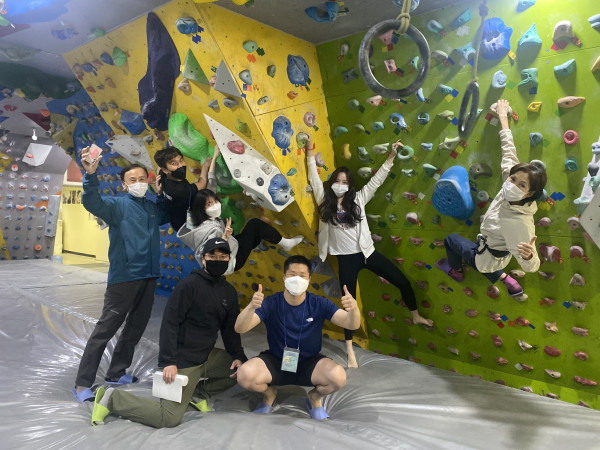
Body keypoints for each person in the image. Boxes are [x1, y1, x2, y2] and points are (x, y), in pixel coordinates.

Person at [91, 238, 247, 427]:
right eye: (212, 256)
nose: (218, 260)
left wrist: (238, 355)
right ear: (203, 259)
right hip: (183, 361)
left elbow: (230, 328)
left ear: (229, 260)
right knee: (168, 418)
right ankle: (112, 398)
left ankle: (198, 394)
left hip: (206, 357)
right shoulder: (189, 286)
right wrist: (168, 362)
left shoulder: (228, 292)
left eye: (223, 257)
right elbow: (170, 324)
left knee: (242, 370)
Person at [305, 137, 433, 368]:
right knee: (349, 306)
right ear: (332, 183)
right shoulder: (324, 200)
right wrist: (308, 151)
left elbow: (377, 180)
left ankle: (415, 315)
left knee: (402, 281)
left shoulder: (359, 199)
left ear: (350, 185)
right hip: (346, 261)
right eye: (337, 181)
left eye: (345, 182)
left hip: (367, 254)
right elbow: (314, 178)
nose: (341, 185)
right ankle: (349, 349)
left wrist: (391, 156)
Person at [72, 147, 170, 402]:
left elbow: (167, 214)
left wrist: (163, 193)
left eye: (142, 179)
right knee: (106, 329)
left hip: (149, 276)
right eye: (132, 180)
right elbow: (92, 202)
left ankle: (116, 372)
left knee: (135, 327)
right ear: (124, 186)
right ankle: (82, 384)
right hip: (124, 277)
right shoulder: (116, 206)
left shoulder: (151, 208)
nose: (138, 183)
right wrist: (90, 175)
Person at [437, 99, 546, 298]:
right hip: (494, 248)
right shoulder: (510, 184)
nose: (512, 184)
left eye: (521, 185)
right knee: (480, 256)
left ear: (530, 193)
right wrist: (503, 117)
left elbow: (533, 266)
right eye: (513, 179)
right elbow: (509, 152)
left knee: (452, 240)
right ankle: (507, 279)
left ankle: (457, 271)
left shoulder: (520, 222)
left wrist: (529, 256)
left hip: (487, 256)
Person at [235, 255, 360, 420]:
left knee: (338, 377)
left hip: (310, 363)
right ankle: (269, 394)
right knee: (244, 375)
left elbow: (351, 324)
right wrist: (251, 307)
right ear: (284, 277)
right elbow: (240, 328)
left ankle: (314, 398)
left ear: (309, 279)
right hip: (276, 360)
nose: (297, 279)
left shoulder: (319, 303)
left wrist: (354, 309)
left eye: (302, 275)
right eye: (292, 274)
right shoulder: (271, 303)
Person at [177, 188, 304, 274]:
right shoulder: (210, 230)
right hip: (232, 260)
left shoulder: (200, 221)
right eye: (210, 204)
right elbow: (213, 253)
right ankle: (285, 244)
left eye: (215, 201)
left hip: (231, 246)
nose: (215, 205)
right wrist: (224, 237)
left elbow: (211, 188)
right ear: (201, 209)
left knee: (255, 229)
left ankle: (262, 234)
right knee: (255, 224)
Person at [154, 145, 216, 231]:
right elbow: (202, 184)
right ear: (165, 169)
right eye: (173, 163)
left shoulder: (162, 174)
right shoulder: (181, 190)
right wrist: (205, 166)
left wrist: (171, 148)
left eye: (181, 160)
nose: (180, 165)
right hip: (186, 225)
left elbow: (159, 167)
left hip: (175, 217)